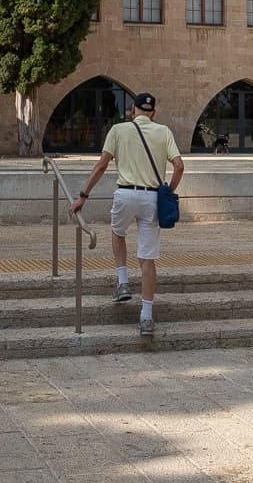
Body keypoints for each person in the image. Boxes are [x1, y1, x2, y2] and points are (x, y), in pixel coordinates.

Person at [70, 92, 183, 335]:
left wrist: (83, 196)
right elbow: (179, 165)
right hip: (152, 198)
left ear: (133, 110)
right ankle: (146, 317)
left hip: (125, 194)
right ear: (153, 112)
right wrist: (169, 191)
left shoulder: (118, 130)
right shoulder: (163, 132)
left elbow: (101, 165)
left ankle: (122, 282)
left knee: (117, 232)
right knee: (147, 259)